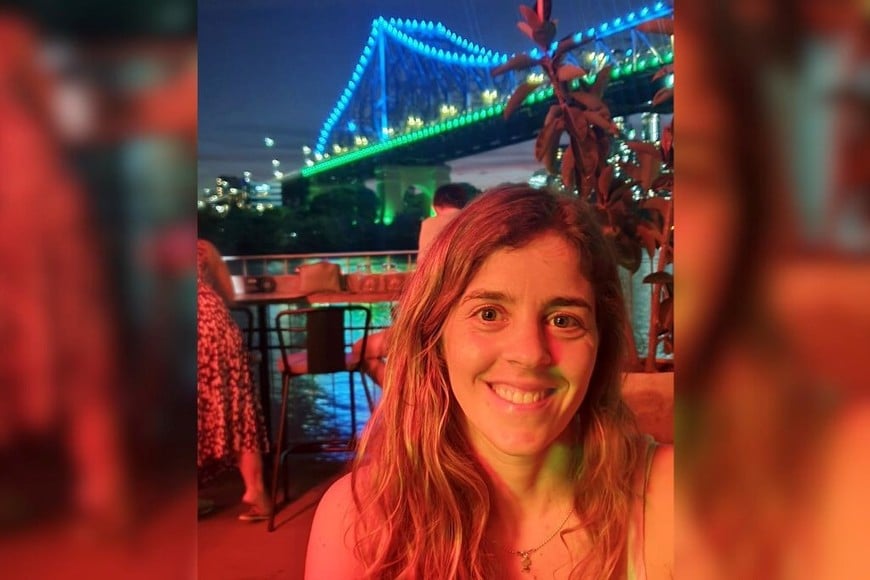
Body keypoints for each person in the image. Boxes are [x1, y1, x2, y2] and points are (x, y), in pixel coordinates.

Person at [306, 185, 673, 579]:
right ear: (435, 336)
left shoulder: (673, 499)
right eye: (489, 313)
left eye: (564, 320)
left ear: (601, 344)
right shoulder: (359, 522)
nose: (531, 353)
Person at [196, 239, 271, 521]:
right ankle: (256, 491)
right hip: (214, 324)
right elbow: (229, 293)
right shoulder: (202, 248)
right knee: (239, 411)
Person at [416, 182, 471, 261]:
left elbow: (422, 258)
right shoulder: (471, 220)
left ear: (436, 206)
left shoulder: (429, 223)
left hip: (435, 271)